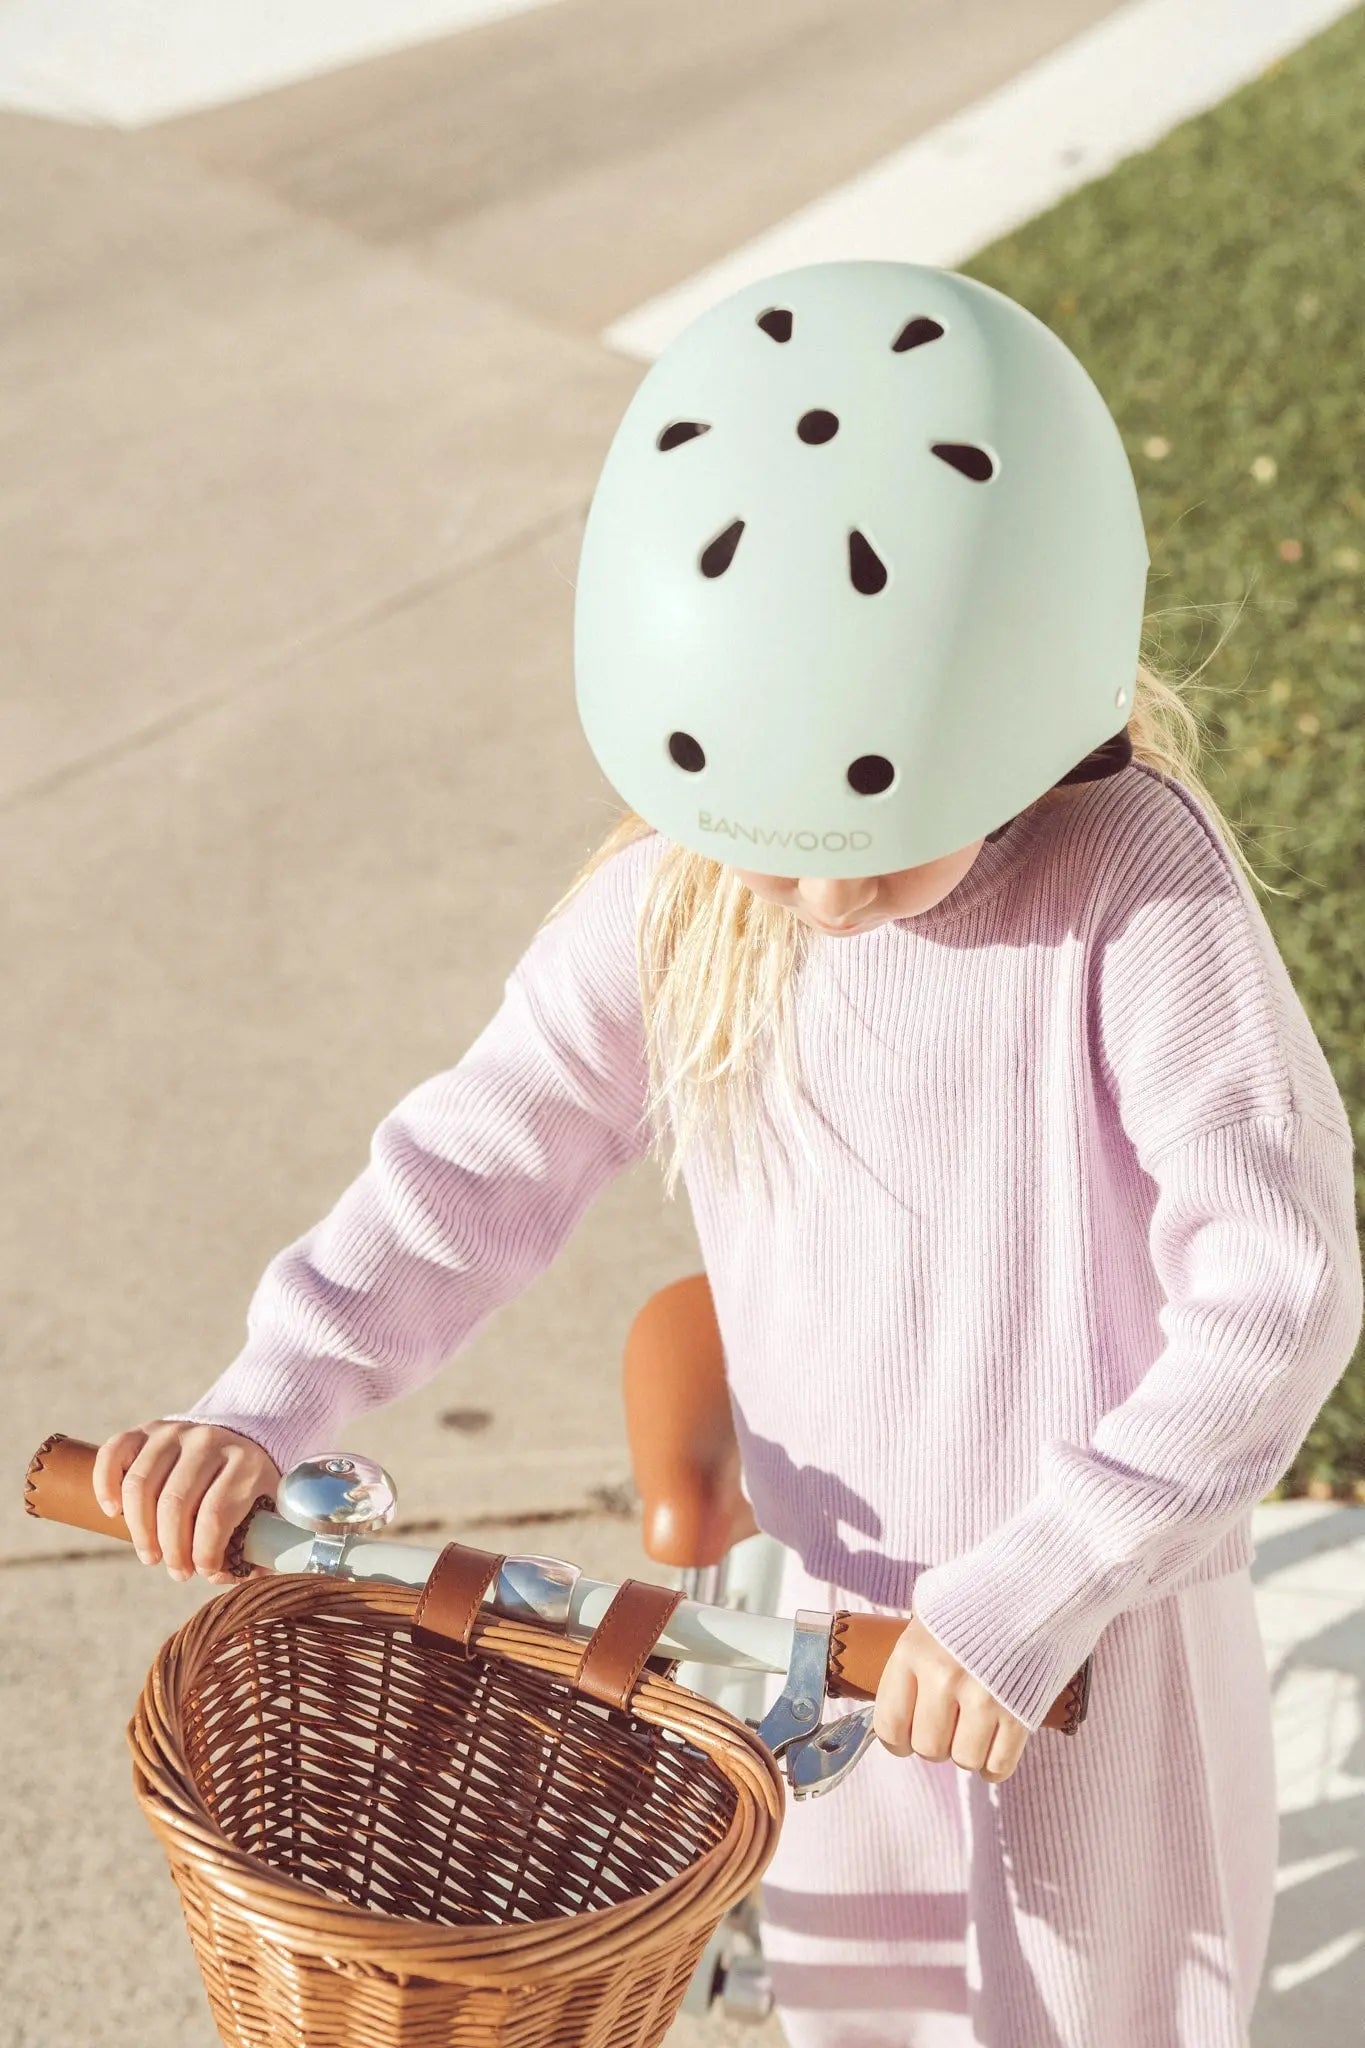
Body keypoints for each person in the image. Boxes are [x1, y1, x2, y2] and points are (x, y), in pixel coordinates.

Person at [93, 261, 1361, 2047]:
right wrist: (266, 1400)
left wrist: (1049, 1577)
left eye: (886, 842)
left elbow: (1274, 1292)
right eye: (783, 850)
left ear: (1019, 682)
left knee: (1115, 2016)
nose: (823, 904)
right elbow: (476, 1160)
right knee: (856, 2006)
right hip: (822, 1639)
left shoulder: (1131, 893)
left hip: (1095, 1645)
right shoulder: (689, 890)